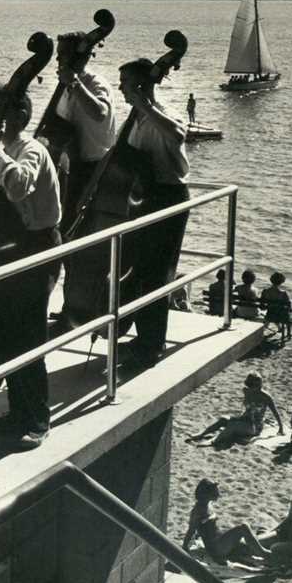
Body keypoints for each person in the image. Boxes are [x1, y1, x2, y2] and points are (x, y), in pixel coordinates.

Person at [0, 84, 62, 449]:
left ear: (21, 117)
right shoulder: (5, 148)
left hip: (37, 246)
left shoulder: (31, 150)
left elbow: (18, 189)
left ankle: (38, 420)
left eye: (0, 112)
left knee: (28, 334)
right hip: (12, 247)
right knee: (9, 334)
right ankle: (17, 413)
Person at [115, 57, 190, 370]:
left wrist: (144, 105)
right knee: (138, 269)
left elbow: (177, 135)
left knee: (156, 274)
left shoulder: (164, 113)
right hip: (142, 198)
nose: (121, 89)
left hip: (168, 197)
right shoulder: (134, 119)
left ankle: (151, 346)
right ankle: (140, 333)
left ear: (143, 86)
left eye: (126, 84)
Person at [50, 31, 116, 226]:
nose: (58, 58)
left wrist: (74, 83)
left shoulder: (96, 83)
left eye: (64, 53)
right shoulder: (64, 86)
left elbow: (99, 112)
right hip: (68, 167)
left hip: (91, 169)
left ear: (84, 56)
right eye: (58, 53)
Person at [181, 479, 273, 565]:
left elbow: (207, 528)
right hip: (216, 548)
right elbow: (191, 530)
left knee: (245, 546)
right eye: (215, 491)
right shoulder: (198, 510)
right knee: (243, 527)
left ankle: (263, 548)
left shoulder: (208, 505)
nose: (218, 493)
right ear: (207, 493)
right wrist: (184, 549)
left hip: (220, 541)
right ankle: (264, 554)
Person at [186, 371, 283, 444]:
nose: (252, 388)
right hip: (244, 419)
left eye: (254, 386)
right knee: (223, 419)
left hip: (255, 425)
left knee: (233, 426)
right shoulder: (246, 391)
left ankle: (213, 442)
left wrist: (281, 428)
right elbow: (246, 408)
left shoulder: (265, 397)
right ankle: (201, 435)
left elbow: (275, 412)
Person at [260, 271, 292, 340]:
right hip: (280, 316)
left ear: (271, 280)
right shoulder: (283, 293)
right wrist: (289, 309)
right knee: (286, 313)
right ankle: (288, 334)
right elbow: (288, 305)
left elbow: (262, 305)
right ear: (282, 282)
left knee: (274, 309)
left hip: (270, 314)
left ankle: (278, 328)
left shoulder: (265, 291)